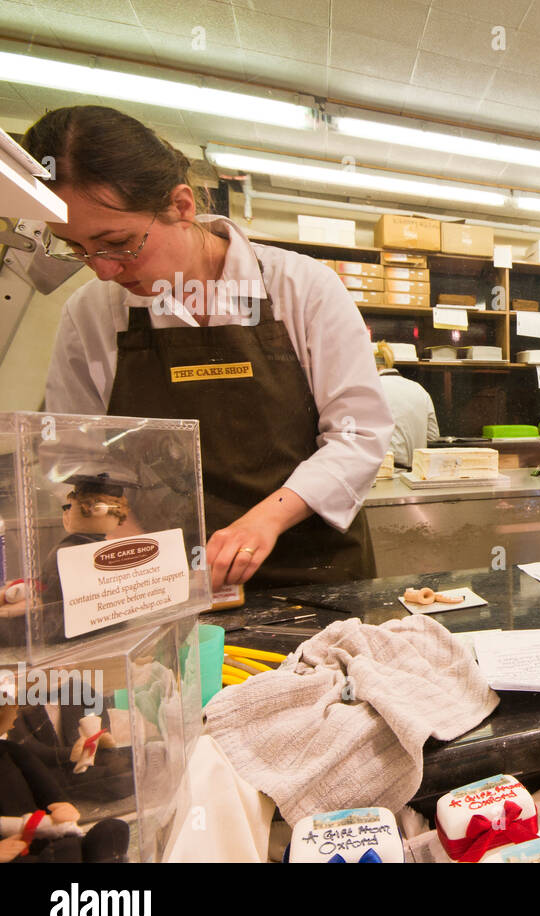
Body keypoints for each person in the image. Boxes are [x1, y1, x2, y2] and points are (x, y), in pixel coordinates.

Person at [24, 106, 393, 589]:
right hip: (164, 580)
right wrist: (142, 559)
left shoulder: (301, 287)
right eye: (77, 249)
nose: (103, 269)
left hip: (312, 573)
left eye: (118, 242)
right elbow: (82, 460)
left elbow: (358, 435)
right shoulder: (92, 313)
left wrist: (262, 522)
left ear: (180, 206)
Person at [375, 346, 440, 470]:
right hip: (417, 472)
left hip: (386, 472)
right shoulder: (419, 389)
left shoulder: (372, 389)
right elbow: (433, 436)